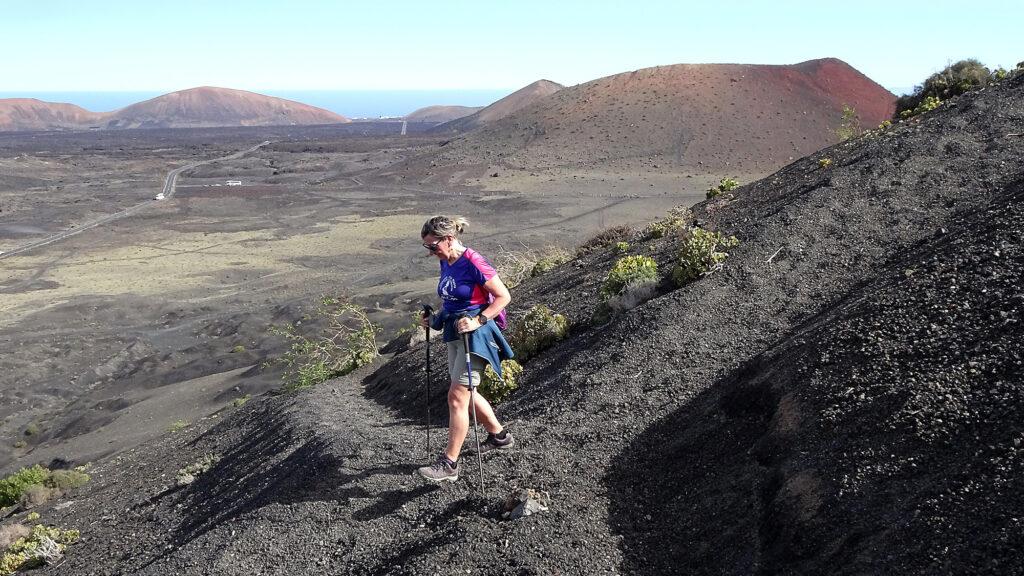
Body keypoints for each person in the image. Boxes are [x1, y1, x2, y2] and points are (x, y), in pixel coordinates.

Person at [417, 215, 515, 483]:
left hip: (477, 337)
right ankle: (499, 436)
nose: (430, 251)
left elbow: (504, 296)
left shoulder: (473, 260)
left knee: (456, 397)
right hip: (455, 333)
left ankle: (449, 464)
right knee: (467, 392)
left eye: (432, 245)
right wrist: (434, 320)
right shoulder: (446, 260)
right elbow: (452, 300)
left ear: (448, 239)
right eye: (426, 247)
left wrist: (478, 320)